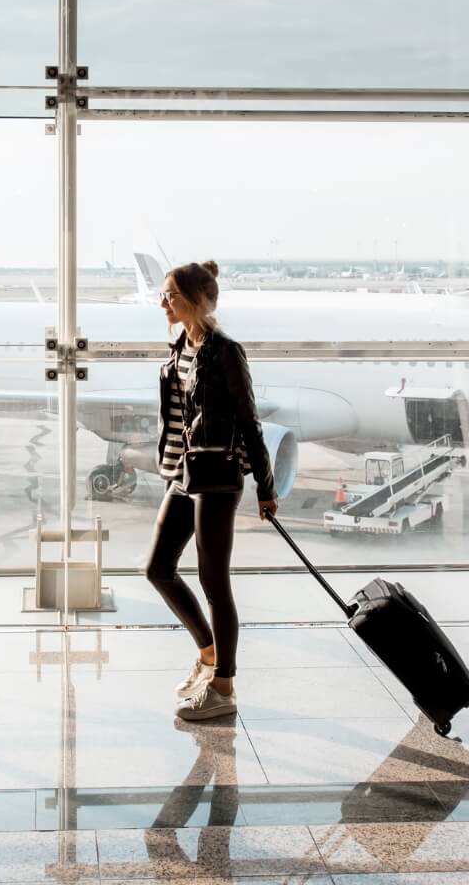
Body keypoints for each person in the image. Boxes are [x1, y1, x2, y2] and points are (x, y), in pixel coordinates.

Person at [144, 260, 276, 722]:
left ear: (197, 301)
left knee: (213, 582)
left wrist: (265, 485)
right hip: (183, 474)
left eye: (171, 296)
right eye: (162, 295)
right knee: (158, 569)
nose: (163, 302)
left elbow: (248, 419)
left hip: (218, 476)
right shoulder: (180, 345)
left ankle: (223, 686)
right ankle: (206, 654)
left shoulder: (224, 352)